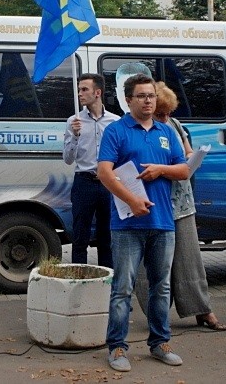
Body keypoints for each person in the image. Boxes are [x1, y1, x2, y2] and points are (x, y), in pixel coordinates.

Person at [97, 74, 191, 372]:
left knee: (161, 287)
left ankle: (160, 342)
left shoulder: (166, 131)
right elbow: (104, 172)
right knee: (123, 288)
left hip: (163, 221)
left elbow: (184, 169)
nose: (148, 100)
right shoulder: (116, 131)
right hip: (127, 226)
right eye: (141, 96)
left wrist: (162, 169)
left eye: (151, 95)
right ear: (128, 100)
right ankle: (117, 347)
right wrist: (132, 200)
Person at [133, 82, 226, 330]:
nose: (166, 118)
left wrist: (190, 159)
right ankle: (157, 313)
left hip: (182, 202)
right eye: (160, 114)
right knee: (153, 262)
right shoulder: (143, 130)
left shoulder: (174, 125)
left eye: (168, 113)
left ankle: (202, 309)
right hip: (155, 202)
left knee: (189, 258)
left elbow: (185, 156)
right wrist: (172, 168)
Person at [62, 73, 118, 267]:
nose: (80, 94)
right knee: (80, 238)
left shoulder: (115, 122)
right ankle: (79, 281)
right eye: (79, 90)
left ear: (98, 92)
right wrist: (75, 135)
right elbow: (68, 159)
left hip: (107, 183)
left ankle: (108, 284)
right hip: (84, 182)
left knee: (106, 238)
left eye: (84, 89)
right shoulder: (73, 121)